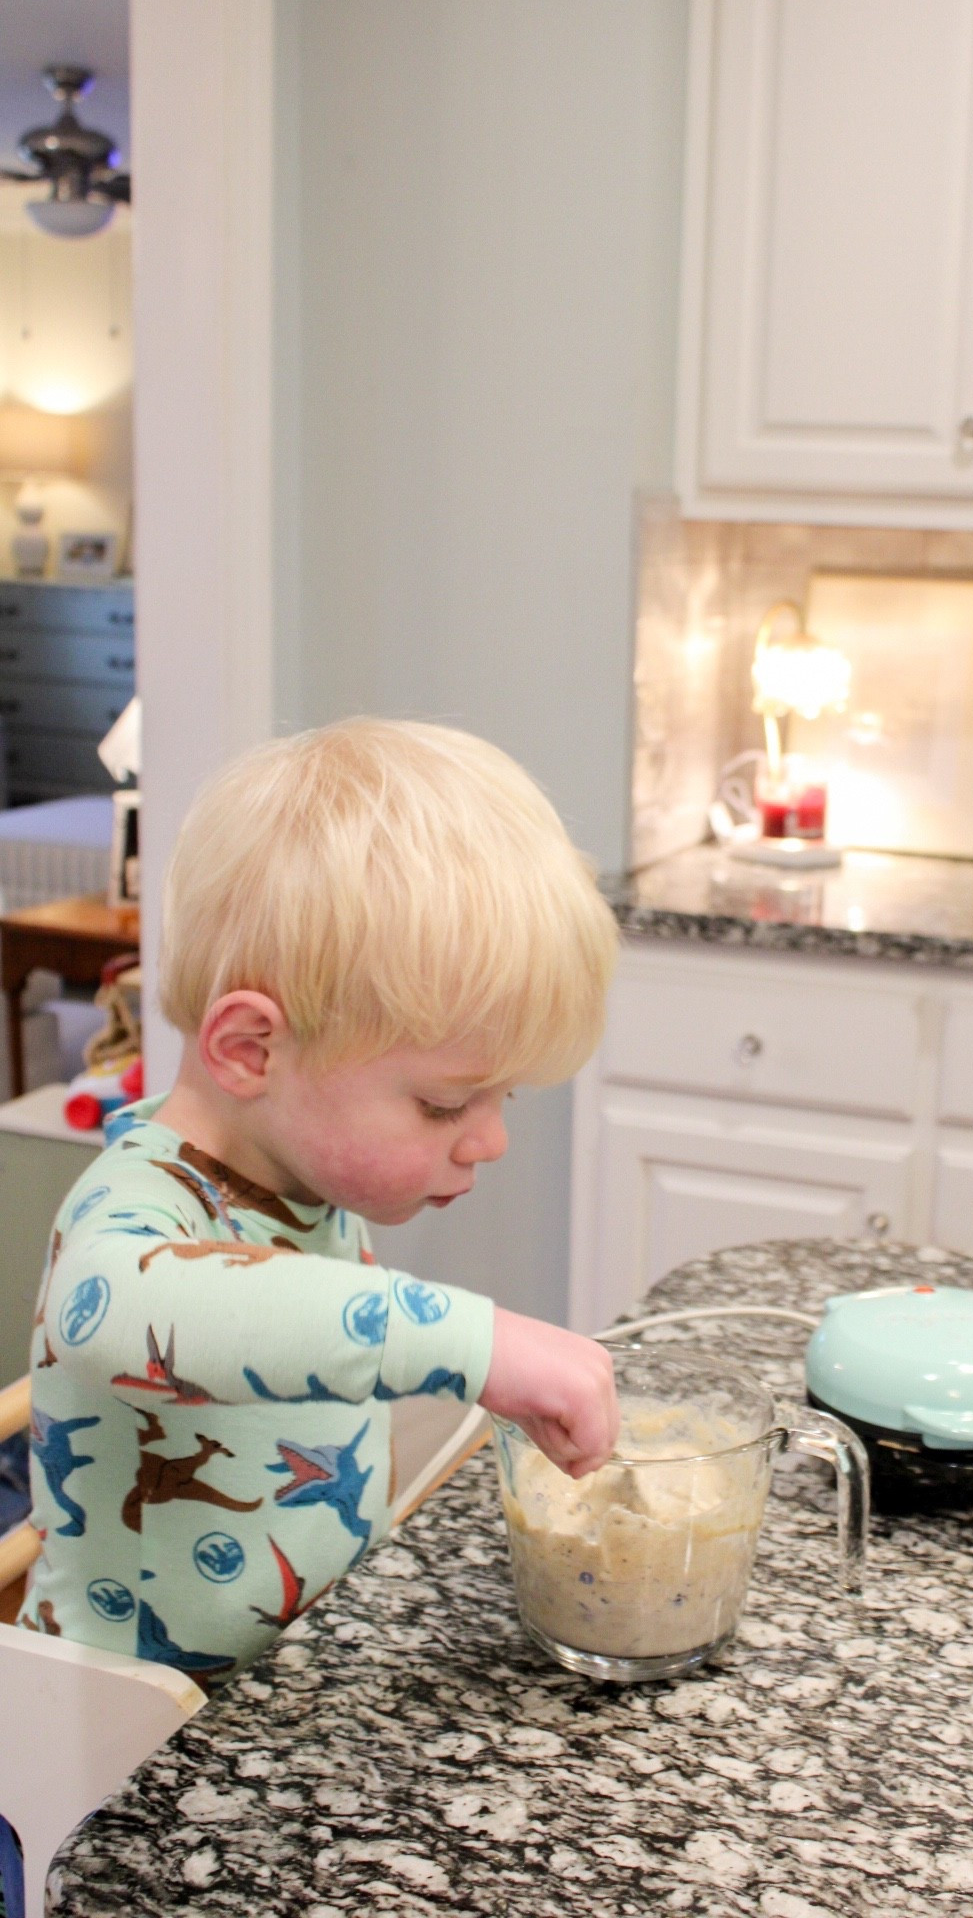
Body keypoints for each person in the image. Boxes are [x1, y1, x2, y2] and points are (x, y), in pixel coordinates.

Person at [20, 719, 620, 1685]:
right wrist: (477, 1343)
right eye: (445, 1102)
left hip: (275, 1688)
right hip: (113, 1753)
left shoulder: (296, 1178)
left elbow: (305, 1332)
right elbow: (120, 1315)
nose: (492, 1139)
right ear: (251, 1050)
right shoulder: (136, 1207)